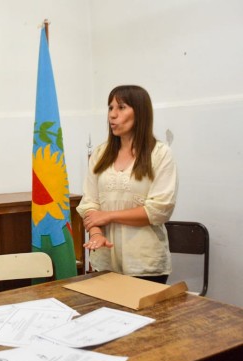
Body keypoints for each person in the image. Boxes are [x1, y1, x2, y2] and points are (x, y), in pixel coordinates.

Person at [76, 85, 178, 284]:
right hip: (105, 262)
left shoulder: (160, 154)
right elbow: (89, 204)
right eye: (110, 108)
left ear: (140, 112)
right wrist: (96, 234)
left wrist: (108, 216)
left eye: (121, 108)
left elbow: (159, 210)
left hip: (145, 264)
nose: (112, 115)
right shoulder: (99, 154)